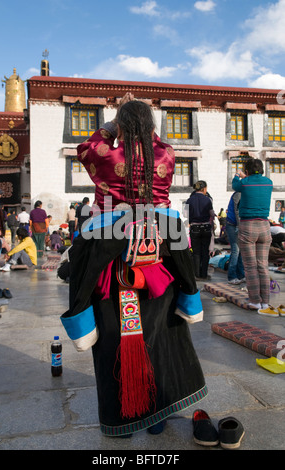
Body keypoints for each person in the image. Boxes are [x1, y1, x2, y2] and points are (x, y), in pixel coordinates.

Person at [60, 94, 208, 440]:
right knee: (157, 337)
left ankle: (121, 420)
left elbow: (86, 147)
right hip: (158, 259)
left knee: (115, 337)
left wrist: (112, 126)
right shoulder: (166, 154)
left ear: (120, 127)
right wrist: (143, 124)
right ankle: (156, 416)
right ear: (152, 127)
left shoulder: (107, 154)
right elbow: (155, 144)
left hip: (110, 262)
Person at [232, 158, 273, 314]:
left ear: (247, 171)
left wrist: (238, 174)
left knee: (250, 267)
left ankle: (255, 301)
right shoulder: (268, 182)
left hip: (248, 225)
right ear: (261, 170)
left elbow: (235, 185)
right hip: (264, 226)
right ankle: (266, 302)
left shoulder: (244, 183)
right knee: (262, 265)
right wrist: (247, 176)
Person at [186, 181, 214, 280]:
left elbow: (185, 215)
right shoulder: (207, 200)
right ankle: (204, 274)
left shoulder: (189, 200)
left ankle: (196, 274)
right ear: (204, 189)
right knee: (205, 252)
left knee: (196, 252)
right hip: (206, 228)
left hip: (194, 228)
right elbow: (211, 214)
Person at [225, 192, 245, 285]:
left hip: (236, 224)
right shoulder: (239, 194)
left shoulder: (242, 193)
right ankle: (232, 276)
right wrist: (239, 225)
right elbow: (237, 211)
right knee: (236, 250)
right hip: (233, 225)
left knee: (240, 251)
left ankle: (241, 275)